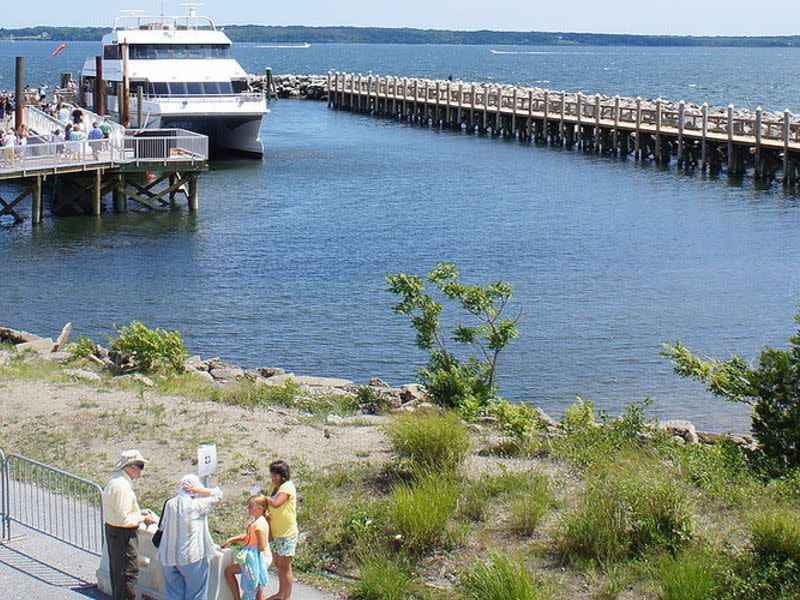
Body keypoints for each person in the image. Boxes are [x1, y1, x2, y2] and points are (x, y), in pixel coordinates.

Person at [156, 474, 223, 600]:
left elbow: (162, 526)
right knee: (196, 594)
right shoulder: (196, 505)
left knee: (174, 594)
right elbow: (218, 494)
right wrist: (199, 490)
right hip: (191, 557)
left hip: (167, 557)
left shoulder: (170, 504)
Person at [101, 450, 157, 600]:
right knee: (128, 575)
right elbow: (124, 519)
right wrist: (141, 518)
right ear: (132, 467)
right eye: (141, 467)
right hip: (123, 536)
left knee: (119, 575)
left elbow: (120, 512)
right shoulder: (123, 487)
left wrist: (139, 512)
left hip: (113, 532)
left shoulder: (115, 481)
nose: (141, 472)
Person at [222, 496, 271, 600]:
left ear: (260, 508)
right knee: (259, 586)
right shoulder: (258, 521)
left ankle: (237, 598)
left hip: (257, 559)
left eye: (251, 506)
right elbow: (249, 536)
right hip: (261, 558)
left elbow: (261, 546)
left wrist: (250, 554)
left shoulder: (258, 525)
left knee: (231, 573)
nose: (248, 508)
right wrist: (231, 540)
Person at [264, 461, 298, 600]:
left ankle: (286, 595)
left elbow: (277, 503)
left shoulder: (287, 487)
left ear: (282, 475)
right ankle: (281, 592)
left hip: (286, 533)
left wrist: (264, 498)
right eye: (272, 474)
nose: (273, 477)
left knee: (285, 566)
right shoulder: (273, 486)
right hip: (275, 531)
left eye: (275, 475)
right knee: (278, 564)